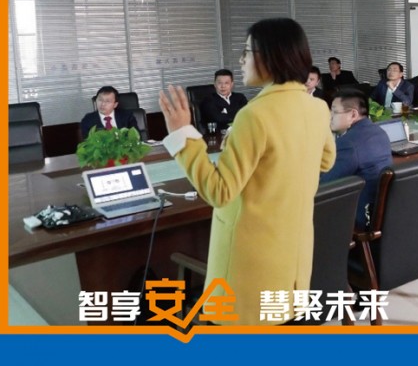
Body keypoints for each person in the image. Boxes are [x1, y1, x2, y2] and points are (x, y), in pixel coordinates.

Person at [158, 18, 336, 326]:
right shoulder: (317, 107)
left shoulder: (254, 115)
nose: (241, 60)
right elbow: (326, 161)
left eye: (246, 51)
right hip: (293, 254)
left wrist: (182, 135)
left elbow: (220, 191)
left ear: (270, 56)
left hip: (249, 261)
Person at [320, 89, 393, 228]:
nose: (330, 116)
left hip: (358, 217)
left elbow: (325, 185)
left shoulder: (348, 144)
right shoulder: (379, 132)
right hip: (380, 213)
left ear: (353, 114)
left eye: (334, 111)